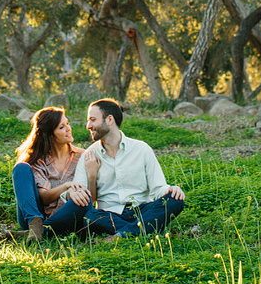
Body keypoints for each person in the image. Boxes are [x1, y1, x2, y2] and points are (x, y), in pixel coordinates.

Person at [80, 98, 186, 238]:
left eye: (93, 120)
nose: (88, 125)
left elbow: (157, 188)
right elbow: (85, 200)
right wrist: (91, 176)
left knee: (175, 200)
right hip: (109, 214)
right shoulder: (88, 156)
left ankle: (122, 234)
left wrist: (170, 190)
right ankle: (144, 229)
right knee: (90, 216)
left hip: (142, 209)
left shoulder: (141, 149)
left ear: (109, 120)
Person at [10, 107, 93, 241]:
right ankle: (35, 225)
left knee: (84, 200)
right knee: (21, 168)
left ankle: (37, 233)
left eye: (68, 124)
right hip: (37, 214)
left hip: (66, 216)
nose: (68, 129)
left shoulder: (82, 156)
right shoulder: (38, 160)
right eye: (61, 127)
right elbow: (44, 197)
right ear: (50, 135)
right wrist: (67, 186)